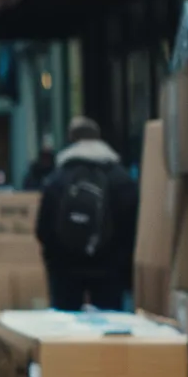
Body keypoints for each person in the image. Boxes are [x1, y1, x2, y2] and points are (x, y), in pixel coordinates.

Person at [35, 116, 138, 311]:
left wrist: (55, 261)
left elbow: (43, 229)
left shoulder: (57, 179)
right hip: (109, 269)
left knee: (66, 328)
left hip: (66, 270)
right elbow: (131, 228)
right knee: (110, 327)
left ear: (71, 140)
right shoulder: (120, 179)